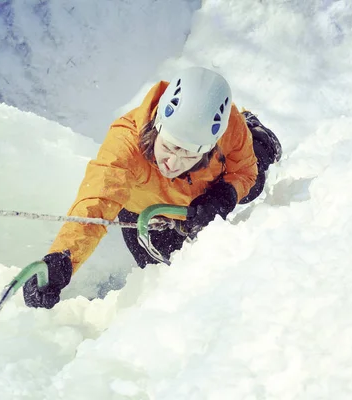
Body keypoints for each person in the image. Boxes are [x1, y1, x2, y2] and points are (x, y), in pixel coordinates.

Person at [23, 66, 282, 309]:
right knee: (163, 282)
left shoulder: (230, 129)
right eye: (168, 146)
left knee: (254, 186)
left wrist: (223, 196)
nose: (172, 163)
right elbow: (96, 202)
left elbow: (244, 172)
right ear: (157, 125)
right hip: (146, 212)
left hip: (204, 192)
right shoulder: (125, 143)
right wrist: (62, 260)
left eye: (189, 155)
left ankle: (257, 135)